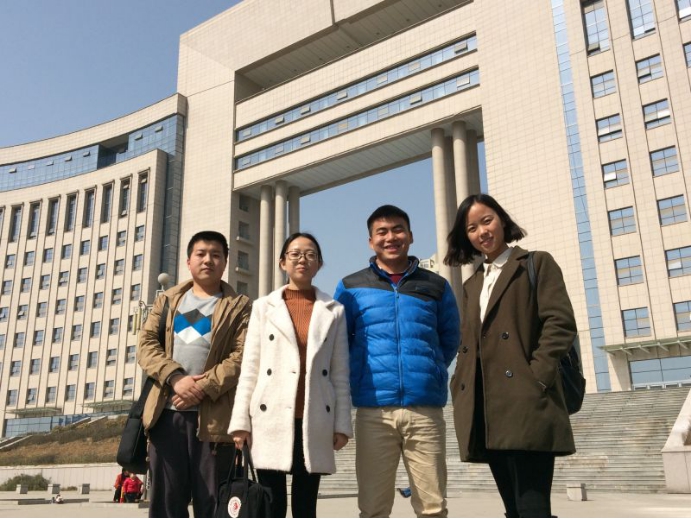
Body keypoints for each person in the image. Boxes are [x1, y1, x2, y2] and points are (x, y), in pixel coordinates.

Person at [444, 194, 577, 518]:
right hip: (487, 407)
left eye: (487, 221)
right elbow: (468, 342)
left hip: (526, 400)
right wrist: (458, 382)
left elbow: (560, 323)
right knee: (514, 510)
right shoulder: (473, 283)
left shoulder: (536, 263)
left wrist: (537, 376)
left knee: (533, 508)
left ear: (502, 220)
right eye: (472, 228)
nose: (482, 232)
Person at [334, 205, 460, 518]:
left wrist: (429, 370)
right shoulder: (350, 287)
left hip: (425, 411)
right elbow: (339, 343)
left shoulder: (436, 286)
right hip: (373, 411)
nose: (391, 237)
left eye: (397, 230)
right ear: (371, 241)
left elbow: (449, 338)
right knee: (373, 508)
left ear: (410, 236)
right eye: (382, 232)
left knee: (433, 507)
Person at [230, 232, 352, 518]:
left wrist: (342, 424)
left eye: (310, 255)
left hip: (314, 418)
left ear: (319, 264)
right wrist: (240, 422)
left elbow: (339, 373)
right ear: (282, 262)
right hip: (269, 416)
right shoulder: (263, 307)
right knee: (271, 505)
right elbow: (250, 368)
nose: (302, 260)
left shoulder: (334, 310)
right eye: (295, 254)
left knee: (305, 507)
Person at [138, 230, 252, 518]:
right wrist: (176, 378)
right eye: (201, 254)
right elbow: (146, 345)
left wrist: (202, 387)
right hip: (166, 414)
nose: (208, 260)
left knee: (213, 503)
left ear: (225, 262)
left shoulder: (239, 306)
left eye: (216, 255)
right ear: (188, 261)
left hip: (215, 420)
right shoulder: (168, 301)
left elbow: (243, 355)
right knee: (166, 504)